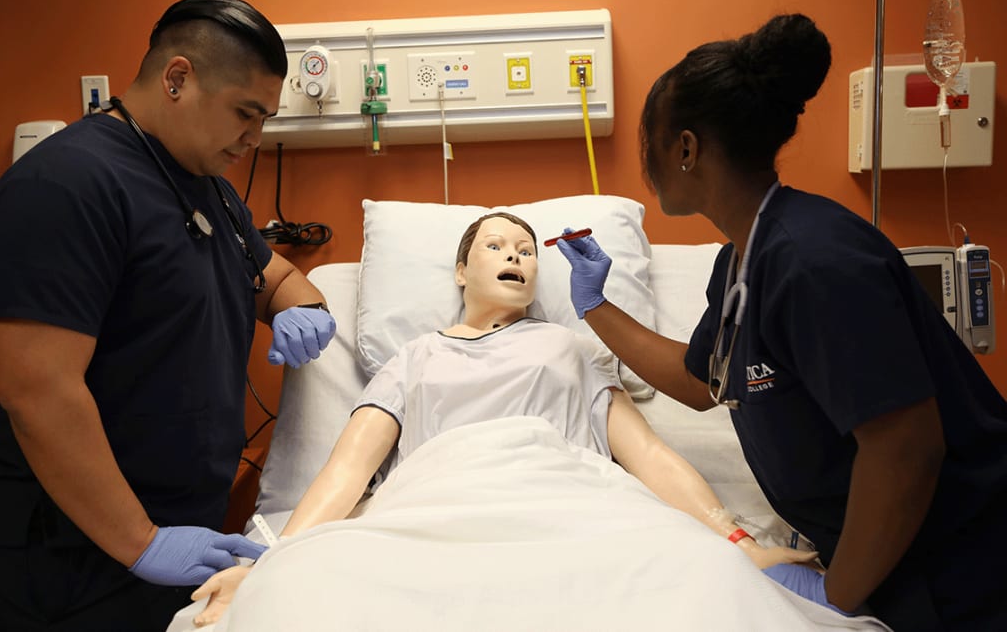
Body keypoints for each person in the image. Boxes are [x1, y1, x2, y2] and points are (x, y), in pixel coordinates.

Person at [555, 13, 1007, 631]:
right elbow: (702, 384)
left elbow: (905, 450)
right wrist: (595, 306)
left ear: (686, 149)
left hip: (960, 568)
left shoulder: (813, 261)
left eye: (648, 144)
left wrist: (838, 597)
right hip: (885, 561)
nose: (645, 163)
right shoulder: (742, 259)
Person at [187, 212, 816, 626]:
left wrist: (735, 541)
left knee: (702, 588)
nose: (517, 255)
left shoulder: (571, 348)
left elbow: (647, 455)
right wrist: (278, 559)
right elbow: (346, 471)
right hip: (437, 513)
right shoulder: (415, 357)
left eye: (526, 249)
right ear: (462, 271)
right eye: (496, 245)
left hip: (576, 511)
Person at [0, 0, 337, 632]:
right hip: (74, 558)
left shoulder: (210, 189)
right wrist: (140, 541)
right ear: (178, 78)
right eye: (245, 113)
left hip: (171, 539)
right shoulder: (66, 186)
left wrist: (302, 306)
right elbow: (37, 391)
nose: (256, 138)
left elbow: (271, 274)